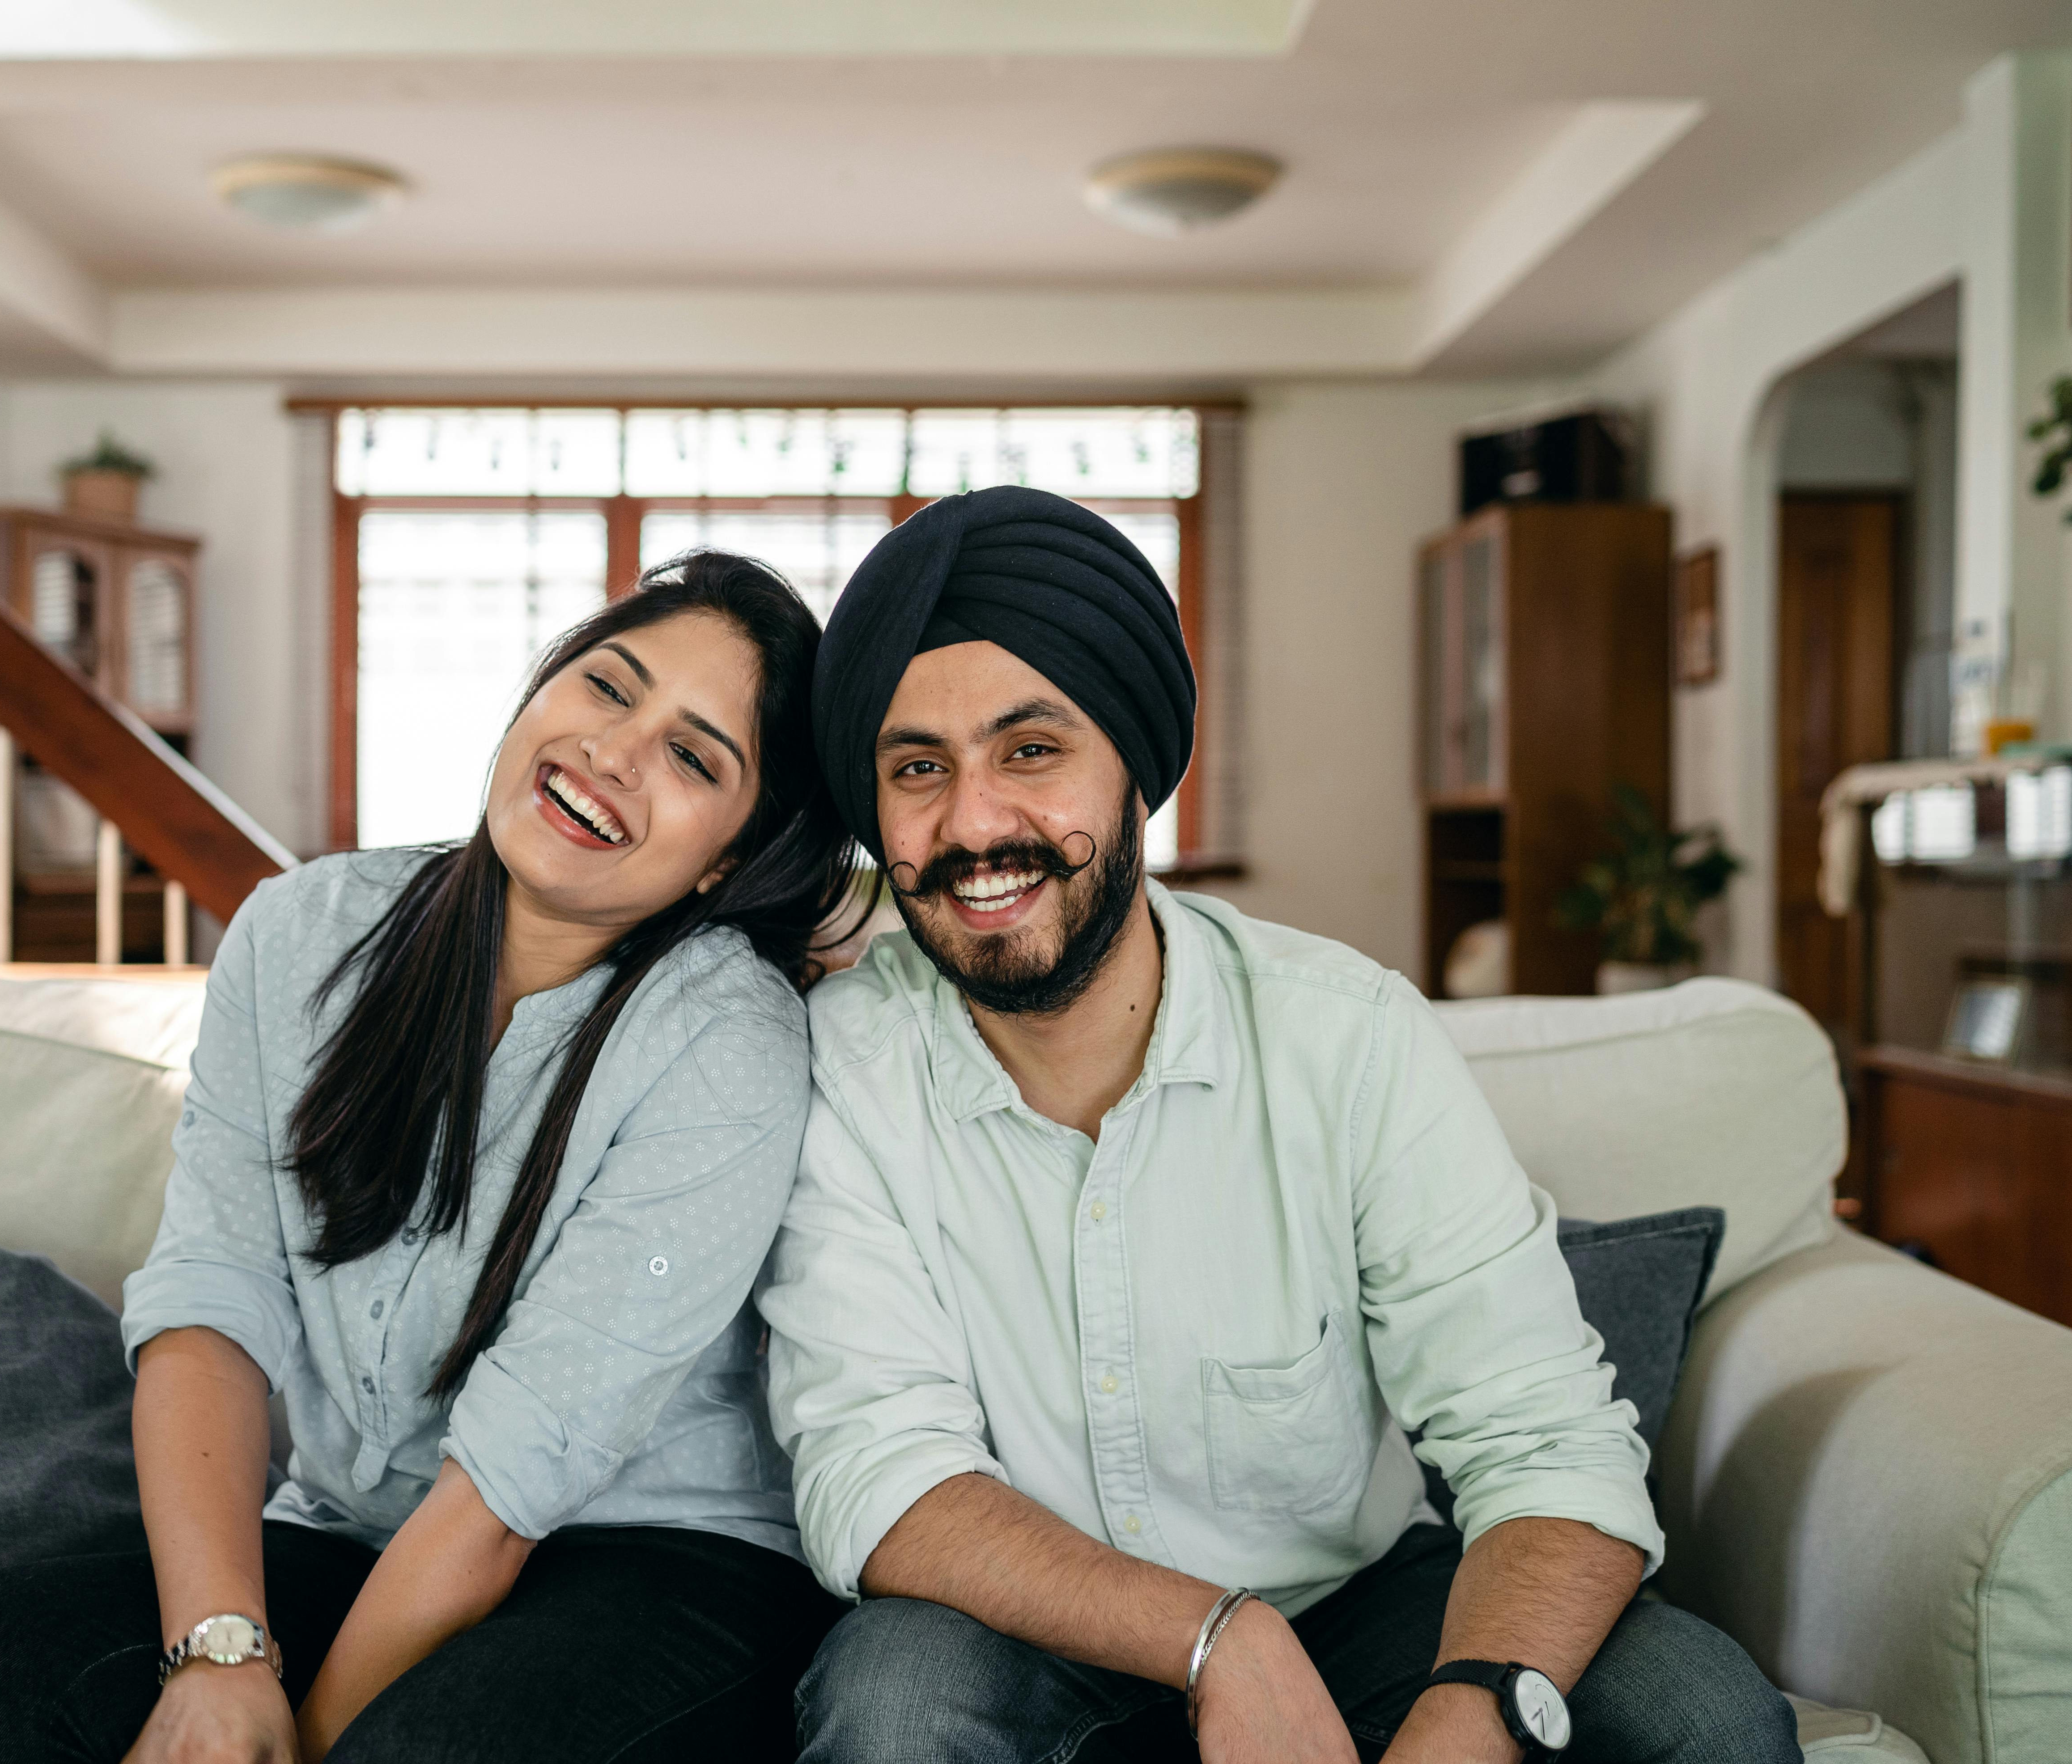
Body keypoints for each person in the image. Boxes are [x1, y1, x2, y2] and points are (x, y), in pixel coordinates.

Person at [756, 487, 1800, 1764]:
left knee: (1705, 1719)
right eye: (917, 768)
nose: (973, 825)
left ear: (1135, 765)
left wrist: (1470, 1715)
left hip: (1351, 1601)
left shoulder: (1346, 1035)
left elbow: (1541, 1437)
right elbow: (879, 1476)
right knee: (892, 1715)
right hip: (1009, 1622)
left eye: (1030, 751)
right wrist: (1216, 1637)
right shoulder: (844, 1071)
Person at [0, 551, 862, 1764]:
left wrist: (296, 1743)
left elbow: (509, 1481)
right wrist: (219, 1656)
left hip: (658, 1556)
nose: (613, 750)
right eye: (605, 687)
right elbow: (210, 1305)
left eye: (695, 756)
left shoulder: (727, 1042)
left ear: (726, 861)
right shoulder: (304, 934)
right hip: (351, 1527)